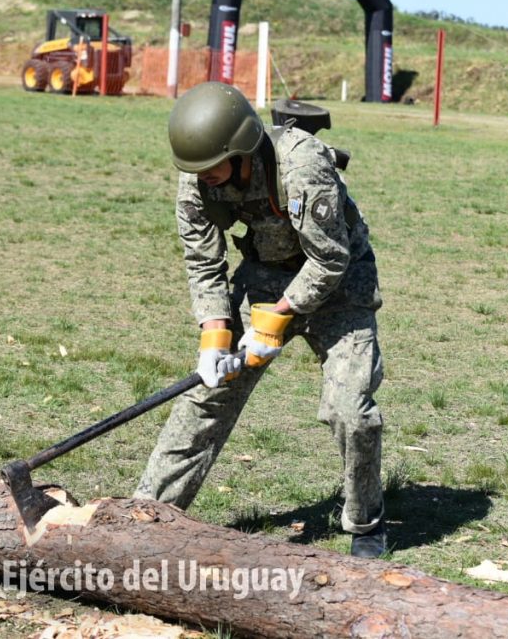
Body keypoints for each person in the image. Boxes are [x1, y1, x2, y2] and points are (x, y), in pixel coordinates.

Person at [133, 82, 386, 558]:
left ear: (241, 149)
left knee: (350, 411)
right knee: (208, 396)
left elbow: (329, 259)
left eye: (214, 167)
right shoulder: (199, 175)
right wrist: (214, 337)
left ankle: (366, 522)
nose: (204, 177)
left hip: (341, 283)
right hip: (266, 273)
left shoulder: (302, 166)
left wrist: (274, 321)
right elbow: (203, 262)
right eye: (197, 169)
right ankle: (148, 515)